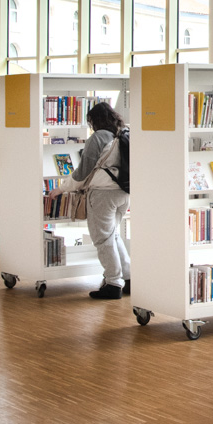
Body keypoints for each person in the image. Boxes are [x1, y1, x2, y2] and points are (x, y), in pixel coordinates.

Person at [54, 101, 130, 300]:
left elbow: (82, 172)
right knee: (113, 236)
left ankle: (113, 283)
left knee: (103, 239)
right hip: (124, 193)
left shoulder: (98, 138)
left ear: (94, 120)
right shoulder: (124, 133)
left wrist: (61, 188)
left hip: (103, 194)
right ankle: (129, 277)